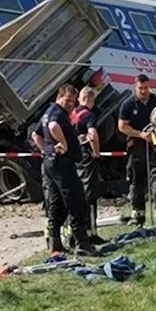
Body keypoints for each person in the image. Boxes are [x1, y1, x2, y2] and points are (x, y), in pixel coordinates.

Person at [31, 85, 99, 256]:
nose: (70, 104)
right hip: (62, 164)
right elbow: (53, 126)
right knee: (76, 201)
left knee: (57, 205)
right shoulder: (57, 114)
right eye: (67, 100)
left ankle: (55, 244)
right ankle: (82, 243)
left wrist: (46, 150)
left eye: (73, 102)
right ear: (59, 97)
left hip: (51, 163)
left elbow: (36, 135)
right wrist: (64, 144)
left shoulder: (48, 112)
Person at [117, 74, 156, 226]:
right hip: (136, 145)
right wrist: (140, 134)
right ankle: (138, 215)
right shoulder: (128, 104)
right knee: (136, 180)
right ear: (135, 87)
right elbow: (122, 126)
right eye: (140, 88)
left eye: (146, 88)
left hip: (155, 144)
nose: (143, 91)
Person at [71, 86, 105, 243]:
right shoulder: (89, 116)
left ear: (79, 99)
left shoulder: (72, 115)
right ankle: (91, 233)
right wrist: (96, 153)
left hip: (73, 157)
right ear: (91, 99)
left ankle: (76, 232)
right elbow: (93, 135)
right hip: (86, 156)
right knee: (90, 195)